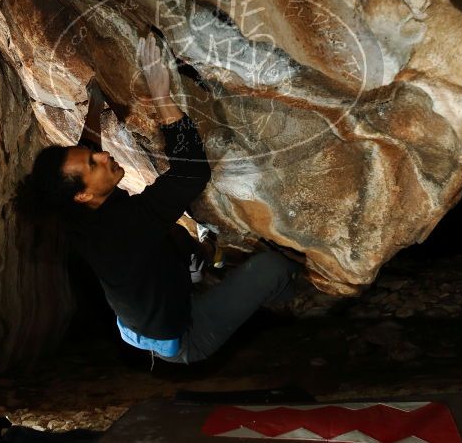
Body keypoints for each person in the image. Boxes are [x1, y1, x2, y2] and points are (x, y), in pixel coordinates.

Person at [24, 32, 300, 364]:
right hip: (185, 336)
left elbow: (86, 151)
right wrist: (161, 96)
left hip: (146, 315)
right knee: (273, 267)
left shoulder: (73, 211)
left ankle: (201, 263)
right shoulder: (122, 227)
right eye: (93, 163)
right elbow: (191, 174)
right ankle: (293, 302)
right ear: (83, 195)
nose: (103, 157)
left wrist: (95, 107)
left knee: (181, 239)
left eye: (94, 154)